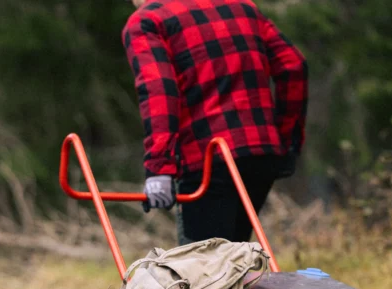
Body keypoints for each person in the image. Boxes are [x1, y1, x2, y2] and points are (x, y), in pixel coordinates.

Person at [123, 0, 308, 244]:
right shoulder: (242, 6)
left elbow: (159, 91)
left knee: (205, 268)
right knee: (233, 259)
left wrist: (160, 168)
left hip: (208, 161)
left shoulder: (147, 21)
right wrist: (284, 140)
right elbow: (293, 65)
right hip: (261, 154)